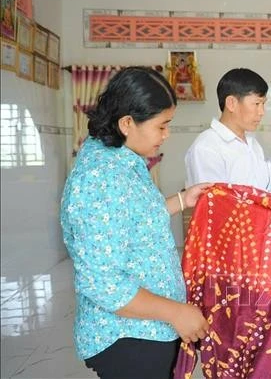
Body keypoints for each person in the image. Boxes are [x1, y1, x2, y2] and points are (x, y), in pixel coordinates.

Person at [60, 66, 211, 379]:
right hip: (128, 336)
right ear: (127, 123)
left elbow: (132, 218)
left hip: (149, 326)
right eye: (162, 126)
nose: (166, 135)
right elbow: (103, 283)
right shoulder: (100, 178)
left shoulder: (122, 158)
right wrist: (176, 312)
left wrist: (182, 199)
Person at [184, 67, 271, 197]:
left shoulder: (252, 143)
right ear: (231, 103)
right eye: (257, 104)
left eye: (263, 104)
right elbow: (219, 204)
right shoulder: (207, 148)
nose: (262, 112)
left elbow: (261, 189)